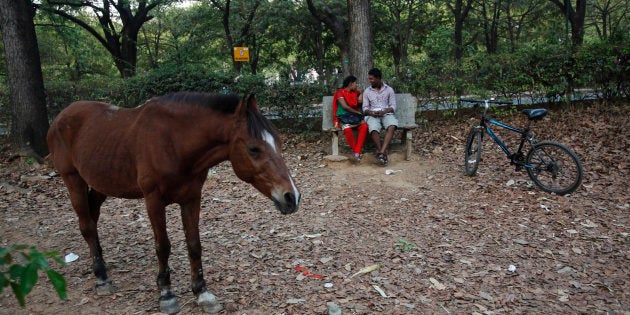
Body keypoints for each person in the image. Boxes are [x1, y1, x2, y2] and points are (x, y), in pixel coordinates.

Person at [362, 68, 398, 166]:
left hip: (386, 113)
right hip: (372, 115)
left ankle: (381, 152)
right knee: (373, 128)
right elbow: (364, 108)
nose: (370, 81)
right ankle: (382, 152)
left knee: (392, 125)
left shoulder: (389, 90)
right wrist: (371, 112)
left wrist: (385, 111)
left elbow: (393, 106)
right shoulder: (367, 91)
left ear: (378, 78)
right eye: (369, 79)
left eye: (371, 79)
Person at [332, 75, 368, 161]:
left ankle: (356, 152)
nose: (356, 85)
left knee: (364, 126)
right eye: (356, 83)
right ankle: (356, 152)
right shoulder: (339, 92)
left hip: (353, 118)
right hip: (343, 117)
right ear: (351, 84)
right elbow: (345, 106)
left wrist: (362, 94)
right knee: (347, 129)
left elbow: (360, 101)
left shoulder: (355, 93)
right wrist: (357, 112)